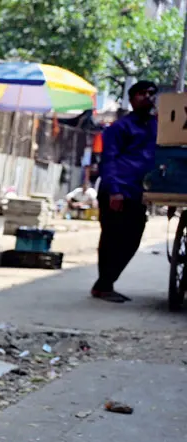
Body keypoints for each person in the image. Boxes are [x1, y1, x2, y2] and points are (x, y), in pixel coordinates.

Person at [94, 80, 157, 302]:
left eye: (151, 93)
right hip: (118, 190)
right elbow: (109, 161)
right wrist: (115, 191)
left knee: (133, 238)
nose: (147, 97)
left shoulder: (156, 125)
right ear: (131, 99)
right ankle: (104, 285)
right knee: (112, 239)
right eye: (141, 93)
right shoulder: (119, 128)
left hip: (139, 192)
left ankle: (105, 283)